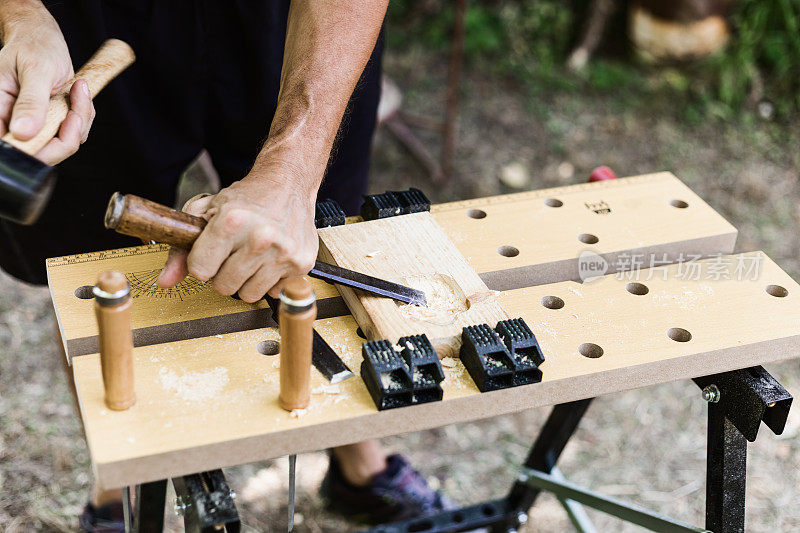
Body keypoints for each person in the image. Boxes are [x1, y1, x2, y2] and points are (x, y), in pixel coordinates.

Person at [0, 1, 451, 530]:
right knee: (89, 274)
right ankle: (117, 484)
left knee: (308, 238)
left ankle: (357, 461)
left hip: (295, 20)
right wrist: (23, 13)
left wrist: (294, 167)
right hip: (87, 14)